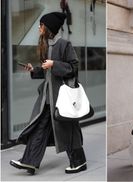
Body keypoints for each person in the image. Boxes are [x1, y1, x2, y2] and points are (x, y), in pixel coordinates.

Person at [9, 12, 86, 175]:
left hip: (62, 97)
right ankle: (29, 162)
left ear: (48, 27)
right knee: (39, 127)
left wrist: (54, 64)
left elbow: (74, 68)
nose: (39, 27)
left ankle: (79, 162)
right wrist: (34, 70)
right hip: (47, 96)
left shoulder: (64, 44)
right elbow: (47, 73)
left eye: (41, 25)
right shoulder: (45, 45)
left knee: (68, 129)